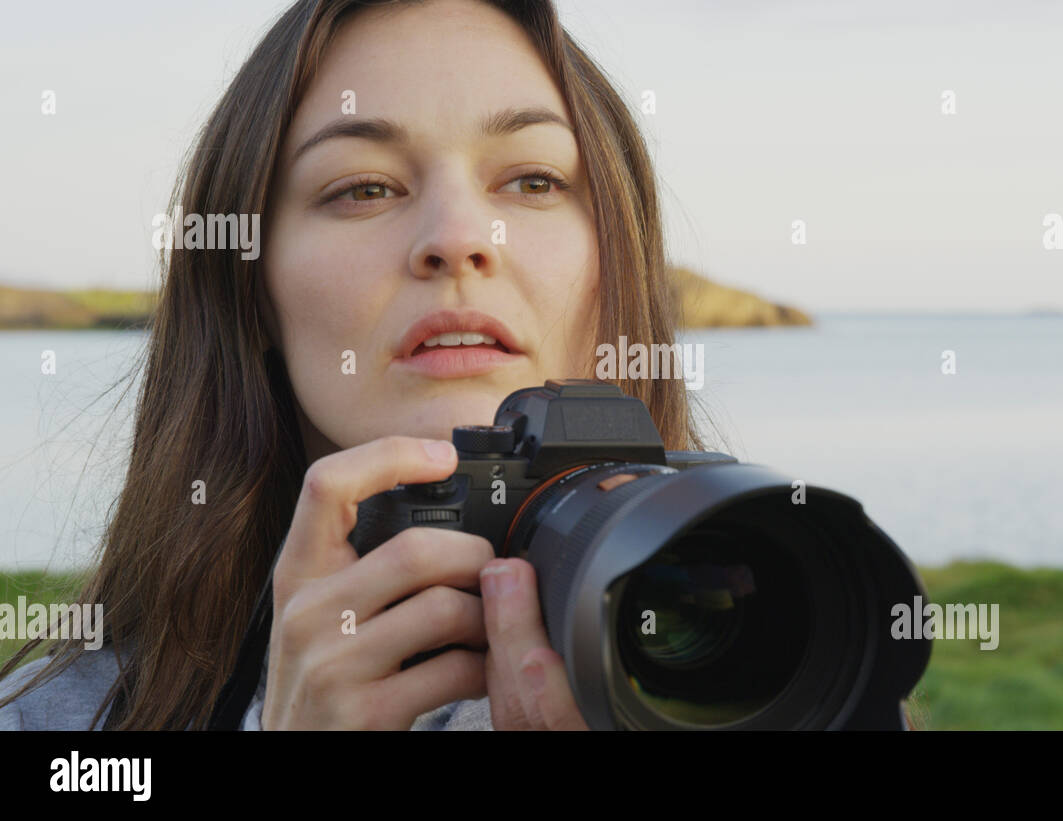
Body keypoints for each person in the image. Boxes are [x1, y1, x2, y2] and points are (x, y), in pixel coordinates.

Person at [0, 0, 706, 730]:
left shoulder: (801, 640)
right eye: (364, 188)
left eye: (533, 180)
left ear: (616, 261)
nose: (459, 237)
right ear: (253, 291)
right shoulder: (54, 726)